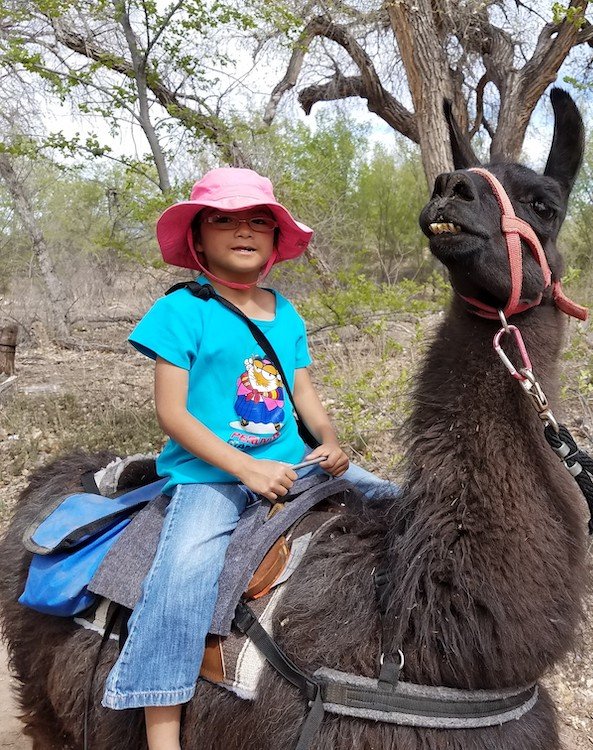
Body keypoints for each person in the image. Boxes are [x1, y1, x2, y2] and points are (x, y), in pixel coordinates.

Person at [103, 167, 394, 750]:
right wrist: (245, 467)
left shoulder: (284, 313)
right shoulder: (181, 311)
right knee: (180, 580)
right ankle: (161, 732)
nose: (244, 230)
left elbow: (303, 390)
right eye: (225, 219)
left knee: (401, 502)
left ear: (274, 239)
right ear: (199, 236)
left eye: (258, 220)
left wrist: (330, 442)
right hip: (210, 475)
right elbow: (173, 414)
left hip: (296, 461)